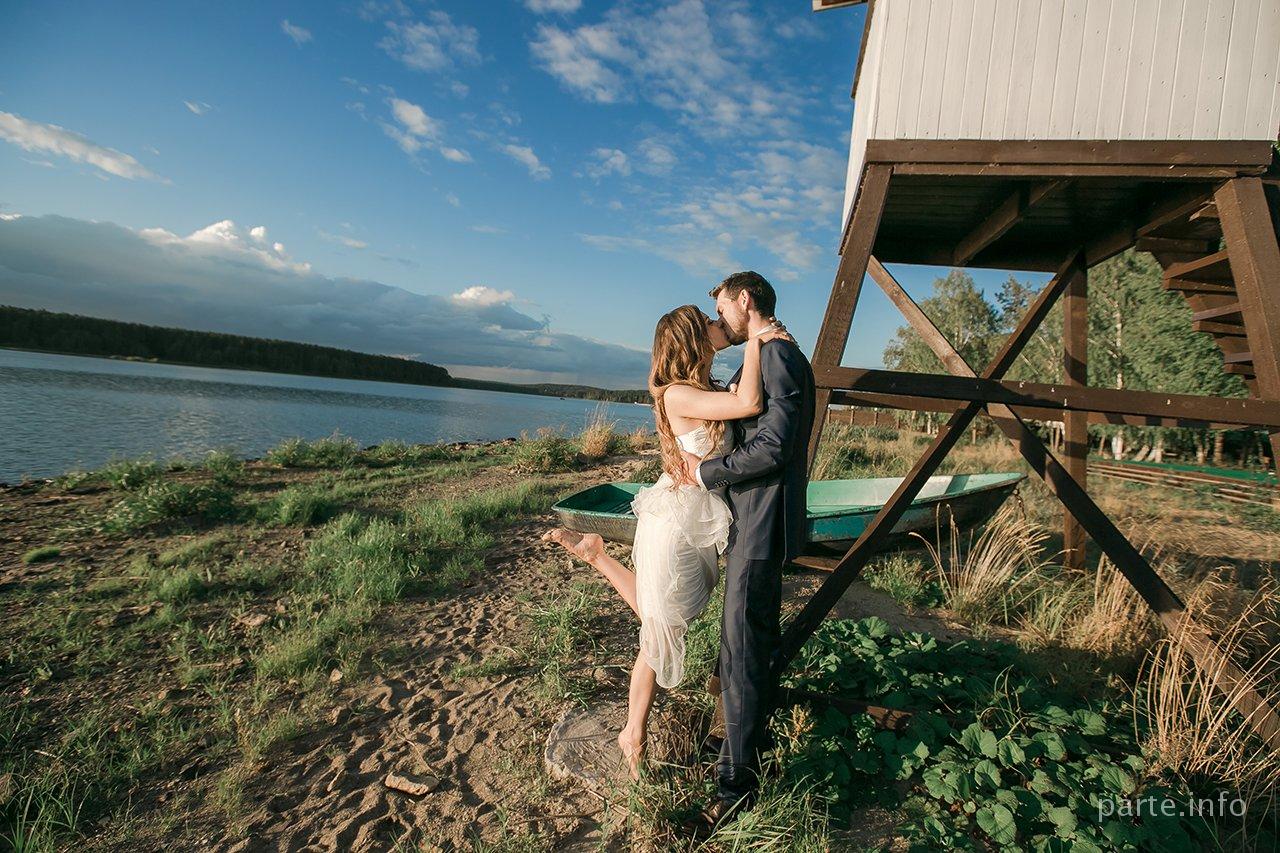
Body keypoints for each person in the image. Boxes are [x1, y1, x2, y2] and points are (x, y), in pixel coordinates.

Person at [542, 302, 792, 779]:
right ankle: (631, 734)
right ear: (693, 340)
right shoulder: (678, 393)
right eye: (709, 324)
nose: (718, 327)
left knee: (663, 617)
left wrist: (749, 348)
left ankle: (596, 555)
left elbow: (739, 401)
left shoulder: (703, 387)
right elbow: (749, 404)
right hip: (675, 524)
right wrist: (757, 339)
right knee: (661, 630)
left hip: (695, 517)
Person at [680, 271, 815, 826]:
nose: (720, 319)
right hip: (753, 521)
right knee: (743, 644)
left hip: (760, 523)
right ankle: (736, 746)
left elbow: (774, 446)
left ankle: (736, 786)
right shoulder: (769, 350)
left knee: (743, 652)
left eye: (722, 309)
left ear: (744, 299)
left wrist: (707, 471)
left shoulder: (778, 354)